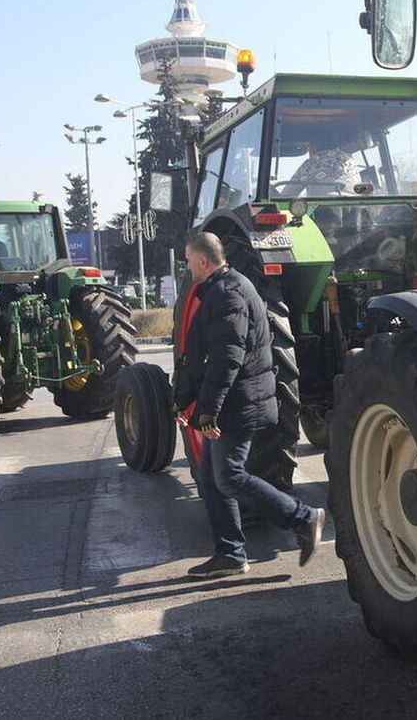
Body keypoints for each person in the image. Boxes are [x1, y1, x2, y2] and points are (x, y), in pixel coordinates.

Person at [174, 232, 325, 577]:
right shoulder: (219, 289)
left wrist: (209, 409)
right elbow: (198, 357)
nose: (186, 266)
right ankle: (230, 553)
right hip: (231, 400)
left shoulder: (229, 293)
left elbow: (227, 358)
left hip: (239, 403)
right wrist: (182, 402)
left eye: (187, 260)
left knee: (229, 476)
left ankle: (304, 518)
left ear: (202, 260)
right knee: (213, 479)